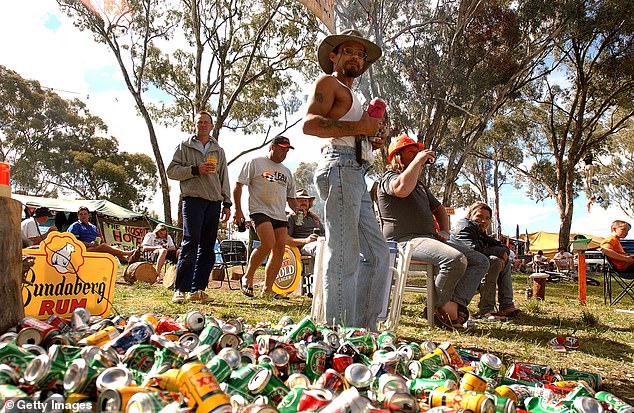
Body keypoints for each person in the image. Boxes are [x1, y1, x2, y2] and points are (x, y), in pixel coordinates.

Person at [302, 29, 390, 331]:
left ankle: (363, 331)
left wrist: (368, 138)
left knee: (378, 254)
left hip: (356, 172)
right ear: (334, 56)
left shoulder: (353, 96)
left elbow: (353, 130)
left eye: (360, 54)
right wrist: (359, 125)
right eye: (349, 51)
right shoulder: (328, 83)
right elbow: (310, 124)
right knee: (344, 254)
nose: (356, 57)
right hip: (338, 168)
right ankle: (339, 333)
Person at [376, 135, 490, 331]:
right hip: (404, 241)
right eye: (411, 152)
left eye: (417, 152)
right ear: (397, 157)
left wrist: (445, 231)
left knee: (481, 261)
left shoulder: (420, 186)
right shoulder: (388, 178)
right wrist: (420, 159)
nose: (416, 156)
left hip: (428, 239)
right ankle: (443, 310)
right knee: (455, 259)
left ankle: (446, 305)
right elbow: (402, 190)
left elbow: (439, 209)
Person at [166, 111, 232, 303]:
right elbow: (172, 171)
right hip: (193, 200)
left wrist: (227, 203)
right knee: (190, 242)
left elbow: (224, 177)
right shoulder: (183, 147)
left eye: (206, 122)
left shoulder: (218, 150)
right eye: (199, 122)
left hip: (214, 202)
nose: (203, 125)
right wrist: (196, 170)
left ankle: (198, 289)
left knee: (208, 247)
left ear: (212, 126)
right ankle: (180, 289)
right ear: (194, 125)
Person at [233, 135, 298, 299]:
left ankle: (267, 289)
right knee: (268, 243)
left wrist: (299, 210)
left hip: (279, 213)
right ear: (272, 146)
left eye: (287, 150)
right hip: (259, 210)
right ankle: (247, 277)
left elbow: (291, 198)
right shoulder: (256, 162)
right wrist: (238, 210)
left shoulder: (287, 172)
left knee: (280, 248)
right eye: (282, 148)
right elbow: (238, 186)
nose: (284, 153)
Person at [451, 202, 519, 320]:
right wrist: (499, 253)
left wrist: (503, 253)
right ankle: (486, 309)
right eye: (479, 216)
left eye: (487, 218)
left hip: (474, 267)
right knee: (494, 261)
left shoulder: (478, 231)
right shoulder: (465, 227)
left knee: (503, 260)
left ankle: (506, 305)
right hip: (461, 272)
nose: (483, 221)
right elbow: (474, 249)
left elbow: (501, 246)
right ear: (470, 215)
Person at [68, 206, 141, 264]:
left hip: (94, 248)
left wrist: (98, 242)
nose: (83, 216)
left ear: (89, 215)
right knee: (104, 247)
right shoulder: (76, 226)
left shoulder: (93, 227)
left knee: (113, 247)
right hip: (81, 250)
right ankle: (127, 253)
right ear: (78, 216)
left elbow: (99, 239)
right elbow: (74, 242)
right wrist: (90, 244)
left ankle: (128, 260)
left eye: (85, 214)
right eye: (81, 214)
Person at [287, 188, 324, 257]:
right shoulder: (291, 218)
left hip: (319, 243)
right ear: (295, 203)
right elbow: (285, 239)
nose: (303, 202)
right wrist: (306, 240)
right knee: (319, 248)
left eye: (305, 200)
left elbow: (324, 233)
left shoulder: (314, 218)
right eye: (300, 200)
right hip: (303, 247)